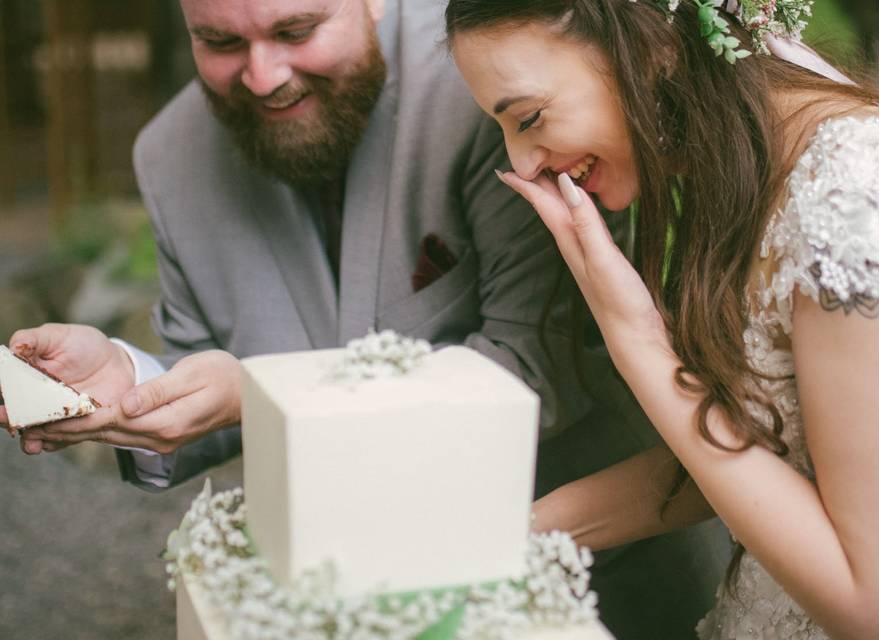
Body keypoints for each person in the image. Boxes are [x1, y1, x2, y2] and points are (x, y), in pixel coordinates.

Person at [2, 0, 731, 636]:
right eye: (220, 42)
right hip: (343, 598)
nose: (264, 76)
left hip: (594, 573)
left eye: (297, 28)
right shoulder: (167, 158)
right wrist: (131, 377)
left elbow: (537, 367)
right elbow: (205, 371)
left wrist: (254, 388)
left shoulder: (490, 86)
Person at [445, 0, 879, 638]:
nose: (523, 164)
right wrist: (510, 533)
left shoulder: (858, 192)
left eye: (528, 117)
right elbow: (762, 445)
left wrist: (636, 341)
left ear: (652, 45)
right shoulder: (741, 162)